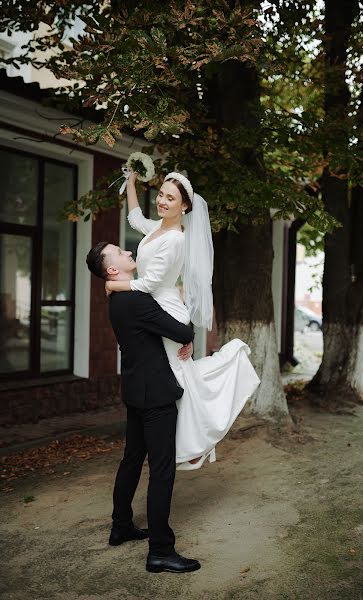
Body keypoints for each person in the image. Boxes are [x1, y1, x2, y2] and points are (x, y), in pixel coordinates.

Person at [105, 169, 261, 469]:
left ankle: (191, 441)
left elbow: (149, 284)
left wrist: (114, 284)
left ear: (185, 206)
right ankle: (178, 442)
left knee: (174, 377)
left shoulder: (176, 239)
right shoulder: (156, 230)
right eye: (161, 194)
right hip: (155, 306)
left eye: (170, 198)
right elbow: (135, 218)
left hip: (163, 306)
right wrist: (133, 185)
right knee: (172, 376)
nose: (162, 201)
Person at [86, 243, 201, 573]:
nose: (127, 252)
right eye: (119, 252)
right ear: (112, 270)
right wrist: (187, 334)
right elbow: (181, 330)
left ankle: (121, 526)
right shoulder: (135, 300)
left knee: (133, 458)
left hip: (136, 390)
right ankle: (161, 551)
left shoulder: (116, 298)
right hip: (156, 395)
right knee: (162, 470)